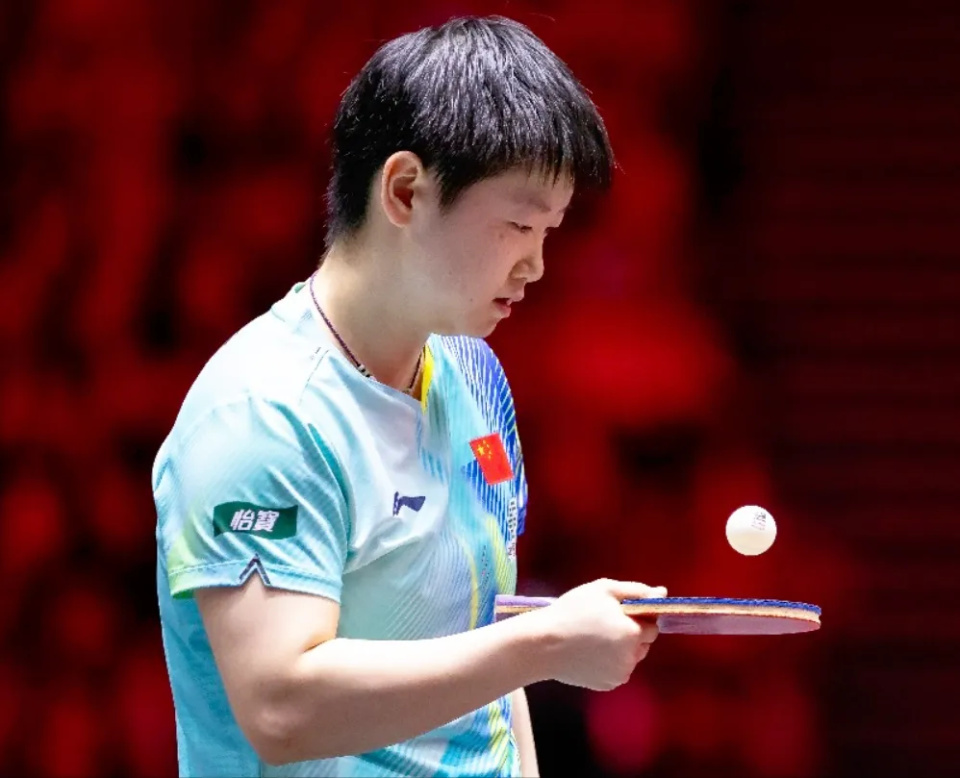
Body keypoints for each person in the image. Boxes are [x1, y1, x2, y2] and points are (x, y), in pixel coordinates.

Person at [154, 15, 666, 778]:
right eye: (519, 224)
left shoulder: (471, 376)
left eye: (549, 231)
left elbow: (483, 651)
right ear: (404, 191)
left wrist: (530, 656)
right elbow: (280, 706)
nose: (536, 265)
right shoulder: (264, 414)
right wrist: (545, 644)